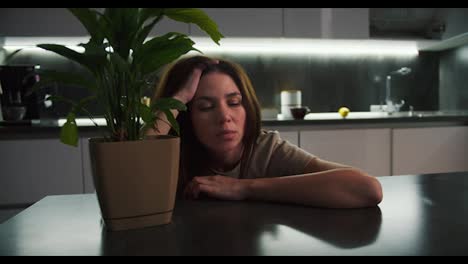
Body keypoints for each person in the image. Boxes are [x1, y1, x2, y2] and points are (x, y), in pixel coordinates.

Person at [146, 55, 383, 208]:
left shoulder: (264, 149)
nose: (225, 116)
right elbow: (134, 177)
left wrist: (243, 188)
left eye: (234, 102)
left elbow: (366, 188)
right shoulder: (170, 151)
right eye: (206, 106)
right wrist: (177, 98)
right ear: (185, 116)